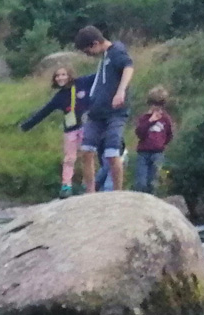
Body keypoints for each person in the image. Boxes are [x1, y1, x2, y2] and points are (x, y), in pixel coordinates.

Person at [18, 67, 96, 198]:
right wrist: (26, 126)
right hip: (70, 129)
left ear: (69, 75)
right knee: (69, 158)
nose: (61, 78)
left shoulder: (82, 82)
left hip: (86, 126)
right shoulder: (58, 97)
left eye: (63, 74)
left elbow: (101, 74)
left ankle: (88, 185)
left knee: (87, 156)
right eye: (58, 76)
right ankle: (66, 186)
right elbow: (43, 112)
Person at [75, 26, 134, 192]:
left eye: (88, 51)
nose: (89, 55)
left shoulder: (116, 51)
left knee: (112, 152)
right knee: (86, 151)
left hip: (114, 113)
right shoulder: (104, 57)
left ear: (95, 44)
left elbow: (128, 67)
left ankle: (117, 192)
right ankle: (90, 191)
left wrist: (121, 91)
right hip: (96, 112)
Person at [131, 86, 175, 194]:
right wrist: (150, 120)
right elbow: (139, 133)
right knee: (141, 182)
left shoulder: (165, 119)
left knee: (153, 181)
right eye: (155, 104)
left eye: (160, 105)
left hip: (158, 153)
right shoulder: (144, 118)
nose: (157, 107)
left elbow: (169, 134)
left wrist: (162, 144)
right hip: (143, 153)